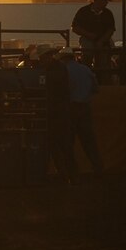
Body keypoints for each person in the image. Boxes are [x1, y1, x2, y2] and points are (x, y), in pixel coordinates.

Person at [60, 47, 104, 176]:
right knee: (89, 141)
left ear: (63, 59)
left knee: (68, 141)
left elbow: (63, 91)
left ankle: (71, 171)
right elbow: (96, 89)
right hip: (85, 107)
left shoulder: (65, 71)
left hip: (70, 108)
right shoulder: (85, 69)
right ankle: (97, 167)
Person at [36, 44, 76, 183]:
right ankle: (67, 175)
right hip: (58, 112)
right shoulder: (57, 68)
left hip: (58, 112)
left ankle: (69, 175)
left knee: (62, 146)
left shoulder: (55, 70)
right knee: (59, 146)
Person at [71, 0, 115, 79]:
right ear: (98, 0)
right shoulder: (84, 11)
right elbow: (75, 27)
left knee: (106, 56)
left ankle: (104, 78)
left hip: (103, 39)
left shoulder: (108, 13)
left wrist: (102, 41)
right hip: (87, 38)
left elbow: (111, 29)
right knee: (87, 52)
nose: (106, 3)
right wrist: (89, 35)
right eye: (105, 1)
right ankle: (86, 75)